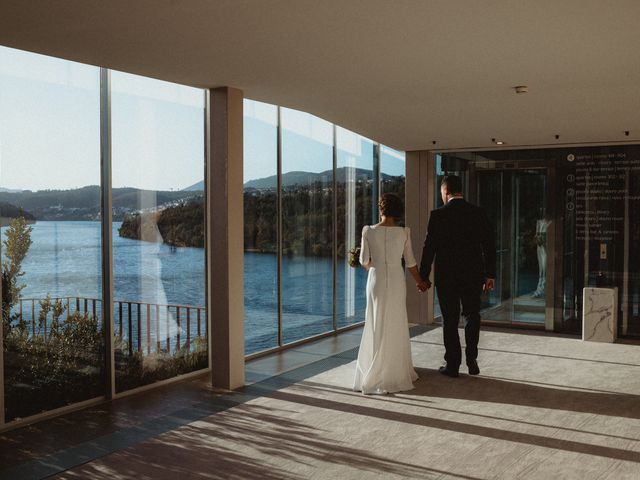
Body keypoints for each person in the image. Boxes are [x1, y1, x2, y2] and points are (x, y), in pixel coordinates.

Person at [419, 175, 496, 377]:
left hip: (447, 277)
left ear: (445, 192)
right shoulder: (478, 213)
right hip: (473, 274)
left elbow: (429, 249)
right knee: (472, 315)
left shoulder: (437, 215)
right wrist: (490, 274)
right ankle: (472, 359)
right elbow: (489, 245)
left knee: (450, 319)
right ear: (460, 190)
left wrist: (423, 277)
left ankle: (452, 365)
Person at [354, 193, 429, 394]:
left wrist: (373, 264)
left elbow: (364, 260)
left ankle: (373, 366)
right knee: (395, 320)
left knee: (376, 320)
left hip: (376, 280)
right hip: (396, 280)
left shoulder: (368, 231)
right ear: (397, 211)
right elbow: (411, 262)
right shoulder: (404, 233)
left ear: (381, 209)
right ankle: (395, 369)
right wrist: (420, 282)